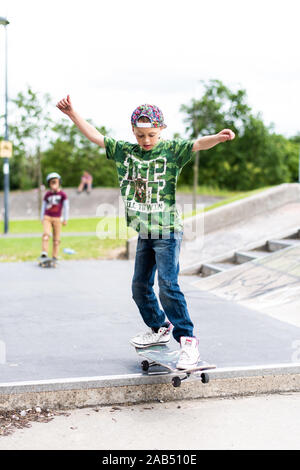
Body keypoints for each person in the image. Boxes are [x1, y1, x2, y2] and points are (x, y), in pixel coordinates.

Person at [56, 95, 235, 368]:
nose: (146, 140)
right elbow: (96, 137)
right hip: (145, 233)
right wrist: (73, 114)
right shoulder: (126, 151)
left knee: (167, 284)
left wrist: (219, 138)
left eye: (151, 134)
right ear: (133, 132)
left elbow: (197, 144)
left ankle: (188, 341)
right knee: (139, 287)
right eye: (140, 135)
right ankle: (159, 327)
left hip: (167, 231)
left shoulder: (172, 150)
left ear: (161, 130)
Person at [40, 172, 69, 262]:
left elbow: (66, 207)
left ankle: (55, 256)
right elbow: (43, 206)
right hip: (47, 217)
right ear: (49, 184)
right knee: (46, 234)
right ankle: (44, 252)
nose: (53, 185)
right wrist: (42, 217)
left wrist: (65, 219)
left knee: (56, 239)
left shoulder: (63, 195)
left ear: (59, 183)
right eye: (51, 183)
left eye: (55, 182)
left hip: (57, 218)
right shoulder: (47, 195)